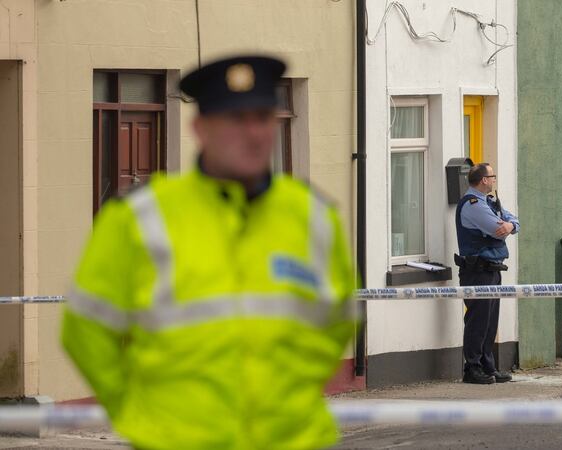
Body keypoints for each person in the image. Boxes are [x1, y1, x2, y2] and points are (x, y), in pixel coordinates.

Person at [61, 55, 356, 449]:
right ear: (200, 129)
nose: (253, 133)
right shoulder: (140, 218)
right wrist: (135, 410)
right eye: (235, 120)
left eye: (263, 117)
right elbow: (85, 329)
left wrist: (294, 389)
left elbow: (339, 319)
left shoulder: (313, 217)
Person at [454, 163, 520, 384]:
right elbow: (496, 231)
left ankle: (487, 366)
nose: (494, 180)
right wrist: (507, 227)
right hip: (477, 271)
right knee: (478, 321)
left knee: (490, 321)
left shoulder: (489, 202)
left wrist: (510, 226)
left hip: (491, 269)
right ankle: (472, 368)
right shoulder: (473, 205)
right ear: (483, 180)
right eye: (492, 176)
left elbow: (513, 222)